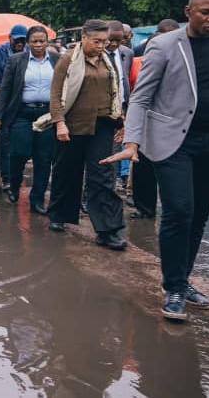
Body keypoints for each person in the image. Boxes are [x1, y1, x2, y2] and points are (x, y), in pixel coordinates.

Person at [105, 0, 209, 322]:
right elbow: (142, 98)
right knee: (179, 210)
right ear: (188, 11)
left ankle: (183, 279)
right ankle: (173, 287)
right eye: (206, 12)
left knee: (199, 215)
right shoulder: (163, 45)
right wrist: (132, 142)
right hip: (172, 142)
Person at [47, 19, 125, 249]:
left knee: (102, 175)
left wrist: (121, 120)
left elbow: (116, 92)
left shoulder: (108, 61)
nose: (101, 46)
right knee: (67, 171)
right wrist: (59, 123)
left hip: (102, 125)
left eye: (105, 41)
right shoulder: (67, 60)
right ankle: (60, 215)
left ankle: (107, 230)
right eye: (96, 41)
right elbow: (56, 94)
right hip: (72, 125)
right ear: (84, 37)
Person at [0, 26, 60, 213]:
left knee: (44, 158)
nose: (38, 45)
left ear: (48, 42)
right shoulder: (16, 60)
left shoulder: (56, 59)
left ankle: (37, 200)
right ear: (28, 43)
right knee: (19, 153)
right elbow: (5, 89)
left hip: (47, 114)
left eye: (42, 41)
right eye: (35, 41)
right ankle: (13, 185)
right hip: (21, 113)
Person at [127, 19, 180, 219]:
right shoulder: (137, 63)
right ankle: (144, 207)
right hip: (145, 120)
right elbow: (134, 94)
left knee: (170, 167)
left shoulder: (181, 63)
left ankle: (170, 208)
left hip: (172, 122)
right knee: (143, 166)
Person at [0, 25, 28, 190]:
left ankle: (10, 169)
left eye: (23, 40)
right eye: (17, 39)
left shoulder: (29, 52)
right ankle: (6, 176)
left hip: (23, 101)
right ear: (10, 38)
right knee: (4, 138)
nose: (20, 43)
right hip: (3, 99)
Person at [106, 21, 135, 189]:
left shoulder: (126, 54)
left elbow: (125, 81)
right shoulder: (95, 52)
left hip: (120, 110)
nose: (114, 44)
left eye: (119, 40)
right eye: (111, 39)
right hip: (100, 111)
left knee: (116, 150)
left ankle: (111, 186)